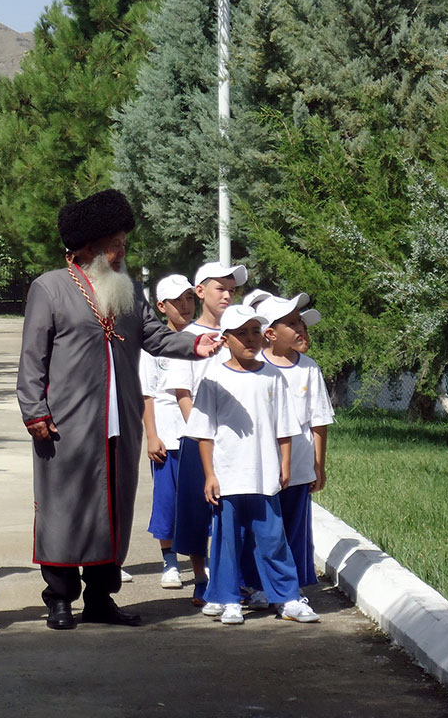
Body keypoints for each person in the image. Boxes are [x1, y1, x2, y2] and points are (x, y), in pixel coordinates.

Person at [16, 189, 221, 631]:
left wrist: (195, 344)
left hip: (120, 421)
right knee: (65, 508)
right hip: (65, 422)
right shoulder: (49, 287)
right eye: (115, 243)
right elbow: (32, 357)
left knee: (113, 509)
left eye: (124, 242)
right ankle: (60, 599)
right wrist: (34, 410)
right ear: (88, 247)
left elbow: (155, 335)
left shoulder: (126, 290)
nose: (122, 251)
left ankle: (100, 599)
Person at [185, 304, 320, 625]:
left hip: (265, 478)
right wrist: (210, 475)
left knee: (274, 539)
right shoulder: (214, 377)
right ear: (225, 339)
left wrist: (285, 464)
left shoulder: (273, 376)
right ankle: (229, 598)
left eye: (255, 331)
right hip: (228, 478)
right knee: (227, 541)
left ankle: (287, 597)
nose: (249, 338)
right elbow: (204, 433)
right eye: (241, 333)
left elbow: (285, 426)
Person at [162, 261, 248, 606]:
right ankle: (200, 578)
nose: (227, 295)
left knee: (233, 510)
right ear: (200, 292)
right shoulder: (186, 338)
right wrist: (199, 434)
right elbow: (182, 391)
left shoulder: (241, 332)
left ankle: (235, 576)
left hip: (237, 440)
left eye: (232, 290)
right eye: (220, 288)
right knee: (198, 513)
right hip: (199, 440)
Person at [251, 294, 334, 592]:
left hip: (298, 467)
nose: (301, 328)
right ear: (270, 333)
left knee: (294, 529)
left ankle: (292, 589)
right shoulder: (253, 366)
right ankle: (259, 585)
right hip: (260, 468)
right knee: (263, 529)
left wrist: (318, 465)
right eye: (291, 323)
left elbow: (319, 420)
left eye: (301, 322)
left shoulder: (309, 369)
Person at [139, 274, 197, 591]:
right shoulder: (152, 347)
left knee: (201, 500)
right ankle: (170, 560)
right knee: (167, 501)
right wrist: (152, 435)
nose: (185, 306)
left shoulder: (202, 340)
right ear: (162, 307)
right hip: (166, 432)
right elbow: (147, 394)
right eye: (177, 301)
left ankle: (204, 560)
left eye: (189, 299)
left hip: (199, 433)